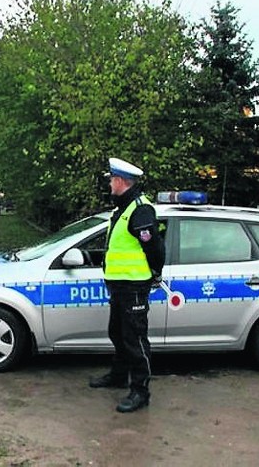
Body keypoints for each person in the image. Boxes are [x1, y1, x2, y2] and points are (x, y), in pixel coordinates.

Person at [89, 157, 165, 413]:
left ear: (121, 181)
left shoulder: (140, 210)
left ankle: (140, 391)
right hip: (120, 286)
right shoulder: (122, 208)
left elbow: (155, 246)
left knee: (135, 340)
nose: (110, 183)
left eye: (112, 179)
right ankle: (119, 376)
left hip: (134, 286)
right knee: (118, 333)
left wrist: (155, 272)